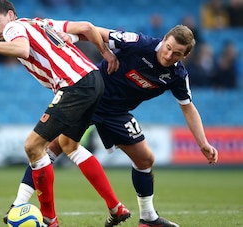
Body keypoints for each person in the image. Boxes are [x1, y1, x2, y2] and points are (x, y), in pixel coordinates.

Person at [12, 24, 219, 227]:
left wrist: (203, 143)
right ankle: (19, 204)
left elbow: (188, 107)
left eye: (176, 53)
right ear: (163, 40)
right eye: (168, 48)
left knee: (145, 159)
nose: (168, 55)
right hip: (92, 96)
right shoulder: (139, 43)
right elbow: (93, 31)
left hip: (117, 113)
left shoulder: (178, 76)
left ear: (185, 56)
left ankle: (147, 216)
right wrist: (72, 38)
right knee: (52, 147)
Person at [0, 0, 130, 226]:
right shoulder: (41, 23)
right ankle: (116, 207)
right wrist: (106, 53)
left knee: (32, 146)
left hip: (74, 84)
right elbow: (86, 27)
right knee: (69, 145)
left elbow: (22, 49)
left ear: (10, 15)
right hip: (93, 79)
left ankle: (49, 220)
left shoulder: (13, 28)